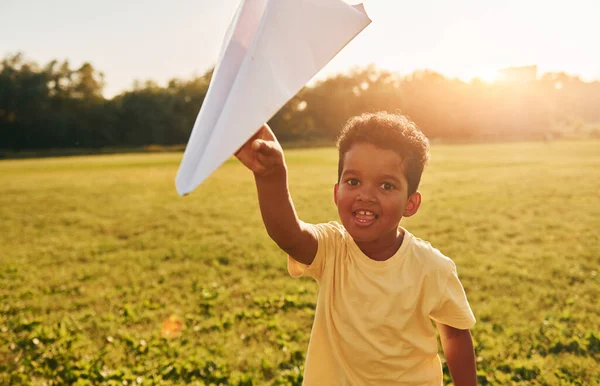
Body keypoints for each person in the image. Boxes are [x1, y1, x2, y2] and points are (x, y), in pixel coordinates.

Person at [235, 112, 477, 385]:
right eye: (353, 181)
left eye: (386, 185)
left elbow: (455, 335)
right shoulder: (332, 248)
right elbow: (289, 236)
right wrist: (270, 177)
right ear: (337, 192)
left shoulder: (432, 267)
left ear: (411, 203)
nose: (366, 195)